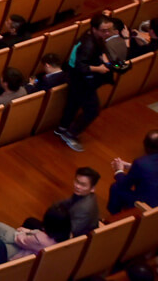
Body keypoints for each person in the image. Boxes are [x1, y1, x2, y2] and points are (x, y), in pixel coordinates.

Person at [56, 14, 113, 151]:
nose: (107, 33)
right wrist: (99, 68)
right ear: (94, 29)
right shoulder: (88, 44)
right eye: (104, 30)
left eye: (109, 30)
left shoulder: (92, 37)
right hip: (80, 81)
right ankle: (70, 134)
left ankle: (62, 128)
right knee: (92, 110)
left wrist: (105, 60)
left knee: (73, 104)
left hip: (75, 78)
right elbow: (80, 66)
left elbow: (99, 52)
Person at [108, 130, 158, 214]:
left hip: (147, 205)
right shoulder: (142, 164)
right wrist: (131, 166)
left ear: (146, 146)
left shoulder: (141, 163)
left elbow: (124, 185)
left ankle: (114, 217)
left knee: (116, 187)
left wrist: (119, 170)